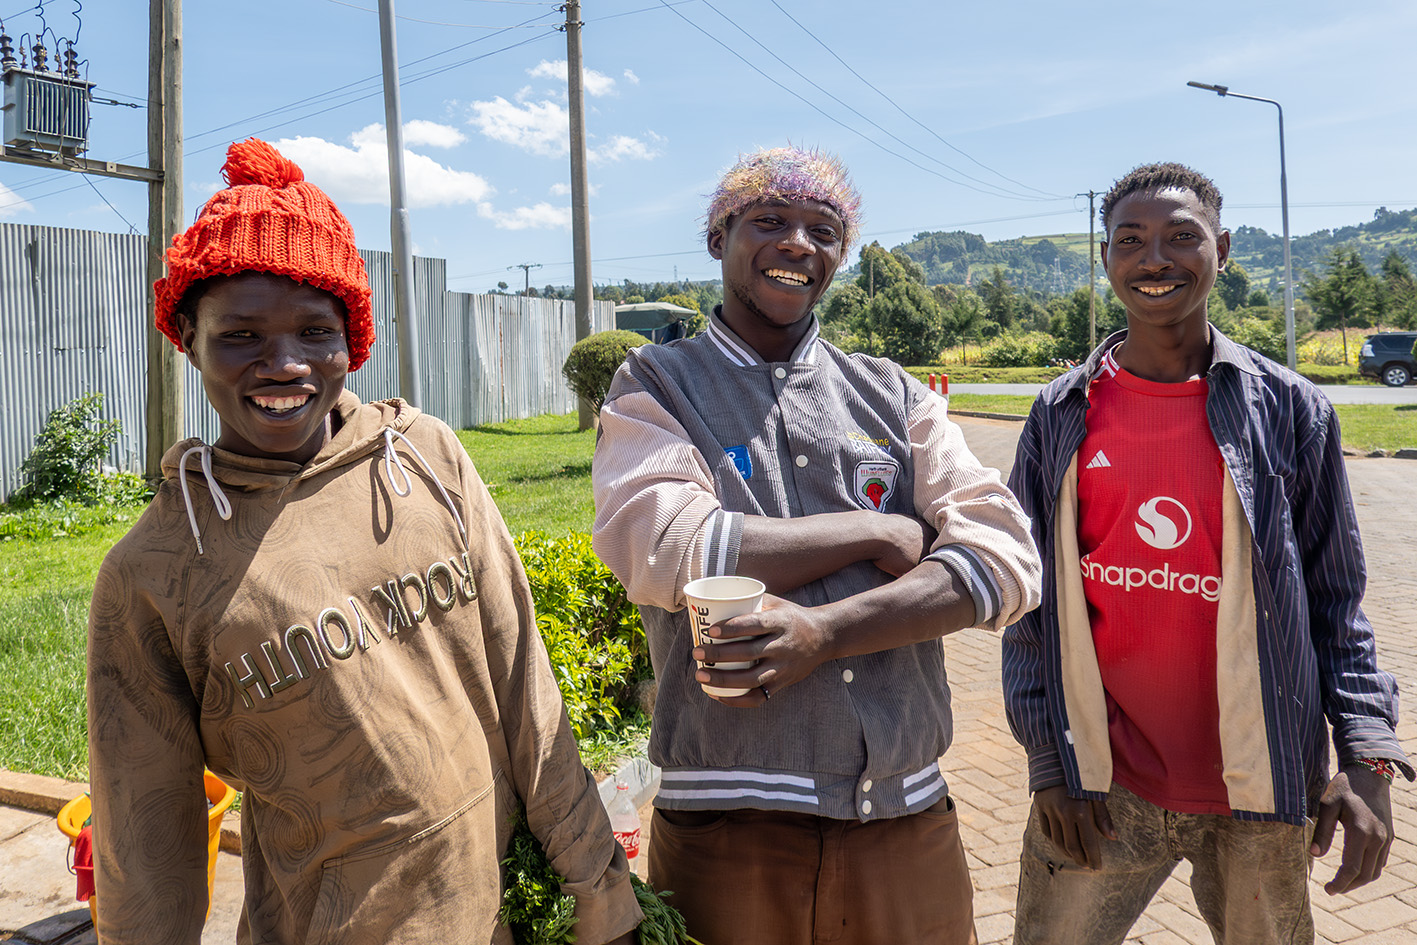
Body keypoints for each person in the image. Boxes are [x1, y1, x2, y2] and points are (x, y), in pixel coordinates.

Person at [85, 138, 641, 945]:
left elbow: (524, 682)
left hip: (501, 916)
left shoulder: (425, 458)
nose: (284, 365)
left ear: (351, 340)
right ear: (189, 340)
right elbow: (145, 843)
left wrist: (597, 886)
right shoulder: (154, 571)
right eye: (240, 336)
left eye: (314, 331)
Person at [591, 146, 1042, 945]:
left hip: (905, 818)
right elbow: (660, 543)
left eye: (823, 230)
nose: (798, 243)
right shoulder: (655, 383)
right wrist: (880, 530)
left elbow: (1005, 557)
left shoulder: (892, 392)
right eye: (769, 220)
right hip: (728, 823)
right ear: (718, 236)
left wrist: (823, 632)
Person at [1002, 162, 1411, 944]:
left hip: (1259, 788)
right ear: (1104, 258)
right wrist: (1049, 762)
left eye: (1180, 237)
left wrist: (1367, 754)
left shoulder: (1289, 409)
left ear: (1220, 249)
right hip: (1098, 785)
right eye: (1130, 240)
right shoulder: (1059, 412)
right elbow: (1031, 602)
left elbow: (1335, 602)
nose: (1154, 258)